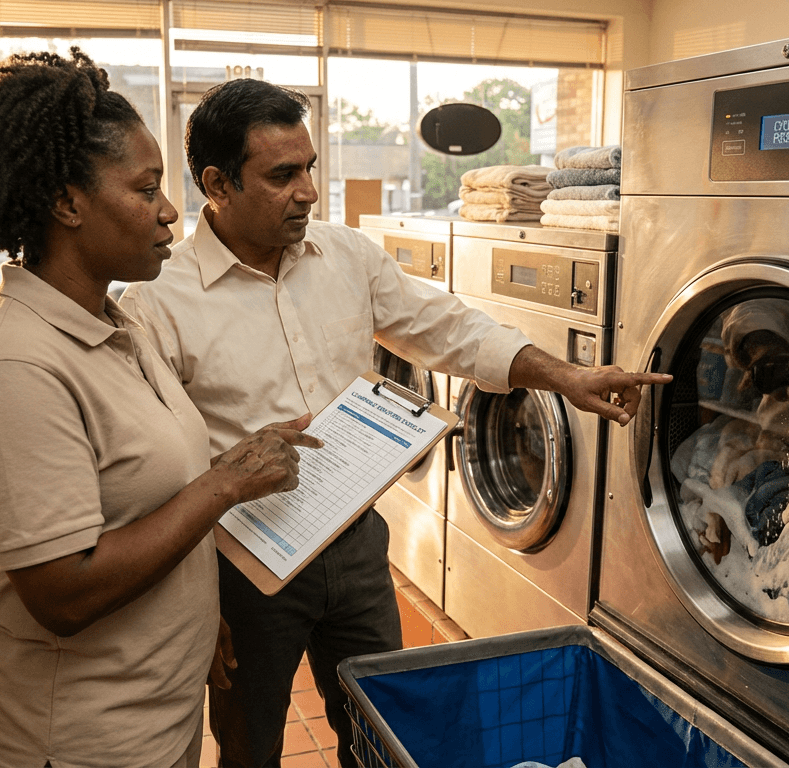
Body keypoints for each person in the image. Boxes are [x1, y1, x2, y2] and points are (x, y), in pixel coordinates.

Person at [130, 77, 672, 768]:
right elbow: (160, 473)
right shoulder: (159, 302)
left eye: (310, 169)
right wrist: (197, 601)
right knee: (249, 743)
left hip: (354, 546)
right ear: (218, 183)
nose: (308, 192)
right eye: (282, 175)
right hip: (244, 570)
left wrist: (566, 375)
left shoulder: (345, 257)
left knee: (388, 728)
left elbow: (448, 329)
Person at [0, 50, 321, 768]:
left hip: (150, 712)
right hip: (78, 737)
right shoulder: (12, 366)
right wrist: (227, 481)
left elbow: (145, 493)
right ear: (66, 202)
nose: (171, 211)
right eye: (146, 190)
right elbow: (64, 592)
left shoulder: (117, 323)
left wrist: (201, 610)